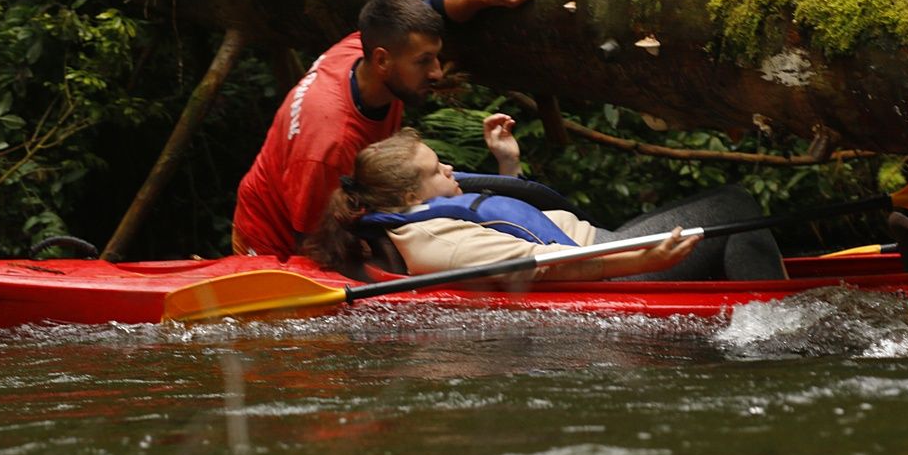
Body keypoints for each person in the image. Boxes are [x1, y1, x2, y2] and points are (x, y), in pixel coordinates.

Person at [232, 0, 549, 259]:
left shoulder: (363, 48)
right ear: (382, 61)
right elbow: (316, 243)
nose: (437, 72)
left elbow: (437, 5)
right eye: (423, 61)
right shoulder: (331, 143)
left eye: (435, 57)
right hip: (275, 245)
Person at [307, 116, 787, 283]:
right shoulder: (440, 246)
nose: (449, 169)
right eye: (437, 170)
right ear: (410, 194)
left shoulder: (422, 216)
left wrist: (507, 164)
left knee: (726, 202)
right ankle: (780, 325)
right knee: (736, 207)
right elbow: (549, 267)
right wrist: (647, 259)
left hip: (604, 245)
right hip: (616, 269)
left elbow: (504, 226)